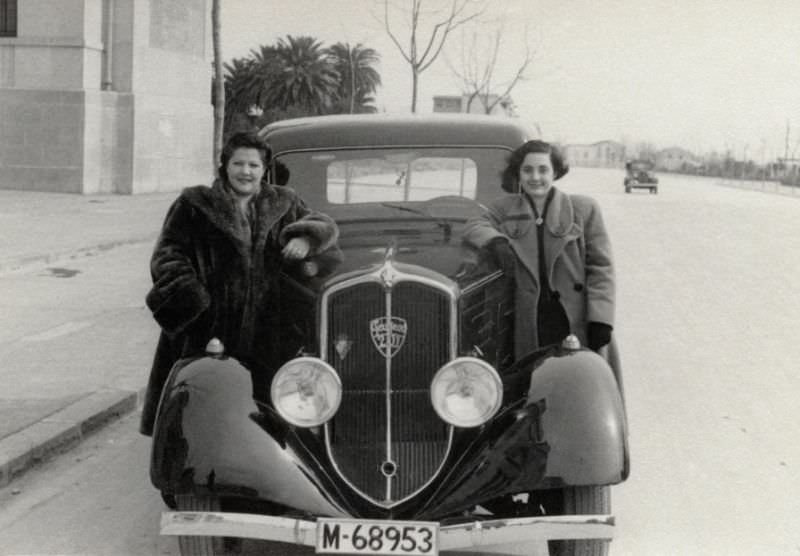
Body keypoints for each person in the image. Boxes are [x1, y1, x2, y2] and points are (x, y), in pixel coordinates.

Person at [139, 131, 340, 436]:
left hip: (270, 335)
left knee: (269, 419)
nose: (246, 172)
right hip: (208, 332)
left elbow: (327, 234)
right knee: (202, 416)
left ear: (264, 169)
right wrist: (198, 306)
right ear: (225, 166)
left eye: (254, 165)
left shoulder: (284, 203)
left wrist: (305, 238)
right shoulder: (194, 205)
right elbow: (167, 258)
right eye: (238, 163)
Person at [463, 140, 615, 360]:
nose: (535, 177)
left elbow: (601, 268)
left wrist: (601, 319)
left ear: (555, 172)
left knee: (580, 384)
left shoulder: (583, 209)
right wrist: (496, 241)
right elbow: (473, 225)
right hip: (530, 321)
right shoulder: (504, 208)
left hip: (574, 319)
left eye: (543, 169)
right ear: (519, 174)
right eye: (527, 170)